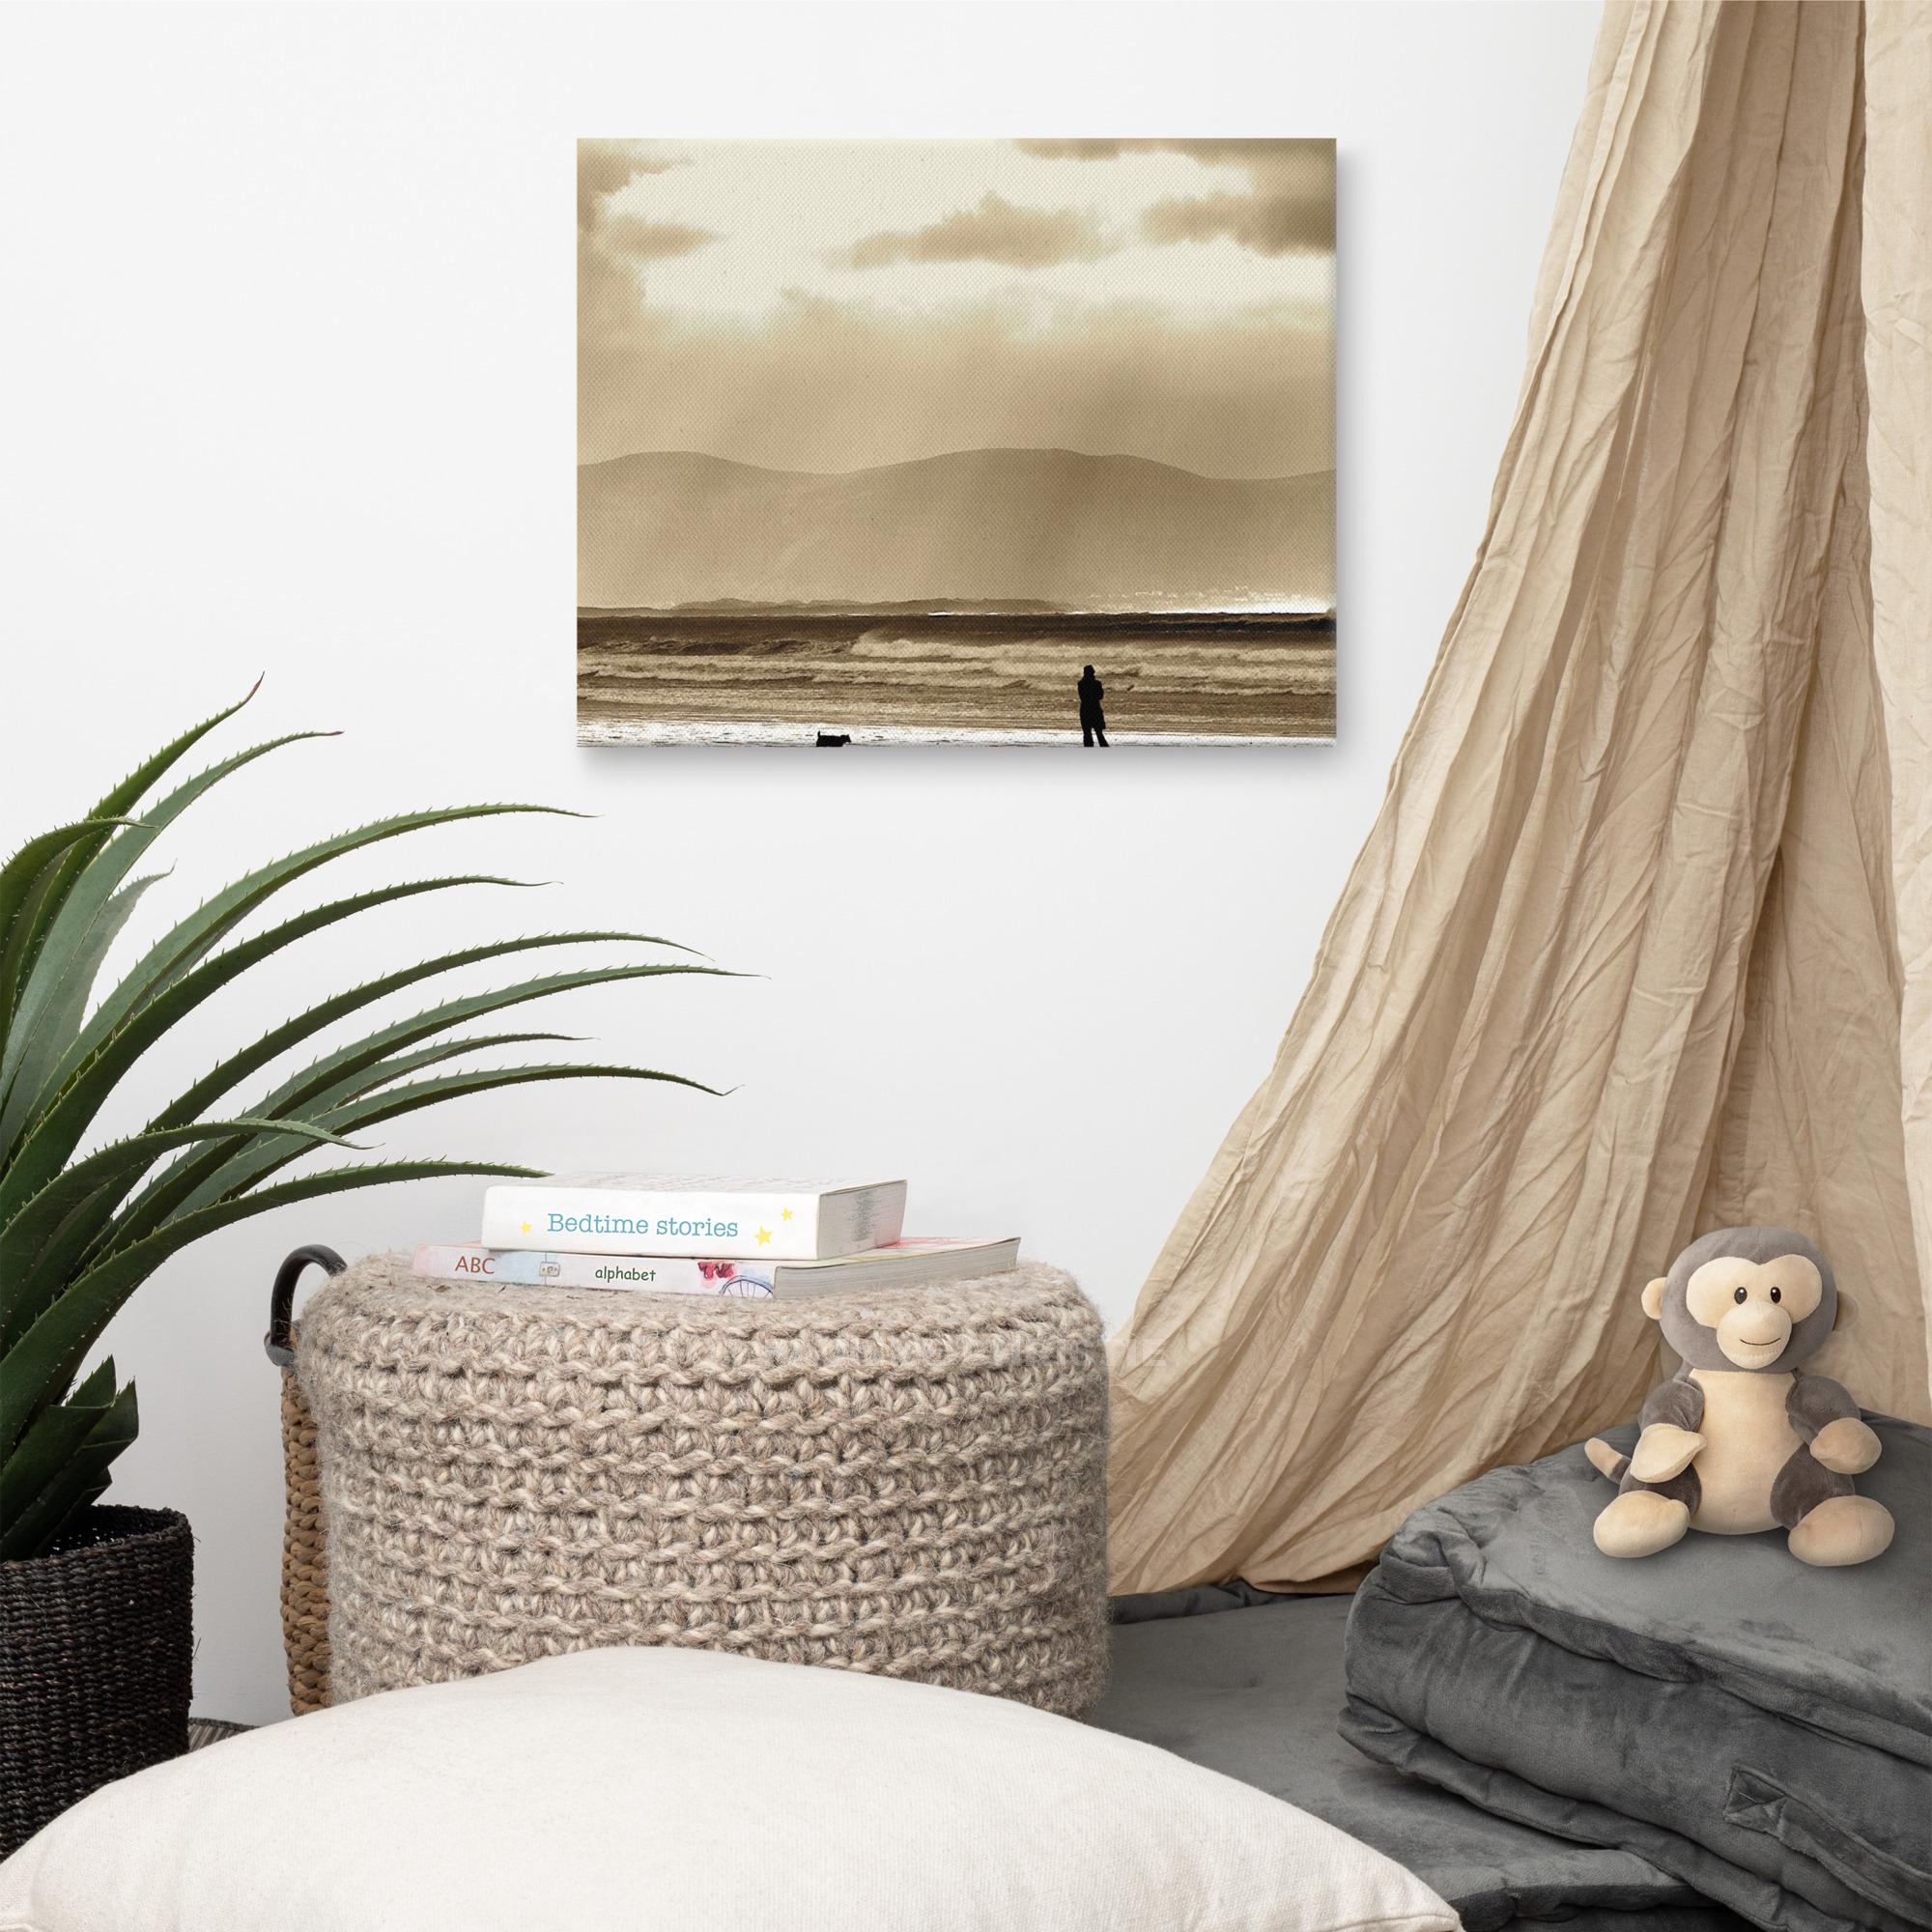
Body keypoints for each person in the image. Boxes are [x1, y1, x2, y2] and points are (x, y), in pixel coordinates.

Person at [1077, 665, 1109, 747]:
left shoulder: (1081, 684)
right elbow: (1100, 696)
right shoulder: (1097, 684)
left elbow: (1083, 697)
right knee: (1099, 734)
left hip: (1085, 710)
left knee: (1087, 734)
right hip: (1095, 709)